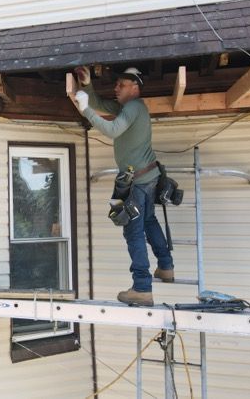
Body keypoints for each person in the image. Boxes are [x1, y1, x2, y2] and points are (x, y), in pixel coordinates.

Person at [71, 66, 174, 306]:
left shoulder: (134, 107)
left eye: (121, 85)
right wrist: (86, 85)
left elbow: (112, 129)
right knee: (148, 221)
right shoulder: (129, 108)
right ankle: (166, 267)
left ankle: (141, 288)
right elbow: (100, 103)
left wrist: (85, 109)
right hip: (146, 178)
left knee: (133, 231)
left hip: (137, 182)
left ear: (135, 87)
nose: (116, 88)